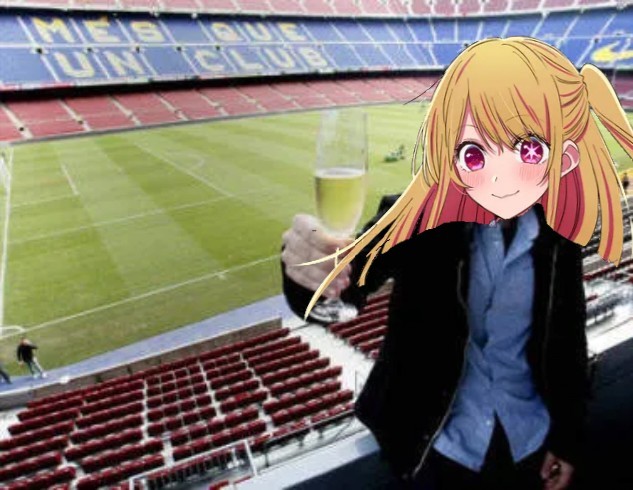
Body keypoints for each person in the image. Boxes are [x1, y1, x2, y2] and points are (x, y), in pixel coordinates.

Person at [281, 37, 632, 490]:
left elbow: (567, 342)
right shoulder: (415, 216)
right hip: (436, 450)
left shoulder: (558, 232)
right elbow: (342, 285)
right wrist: (304, 268)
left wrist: (567, 439)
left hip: (529, 439)